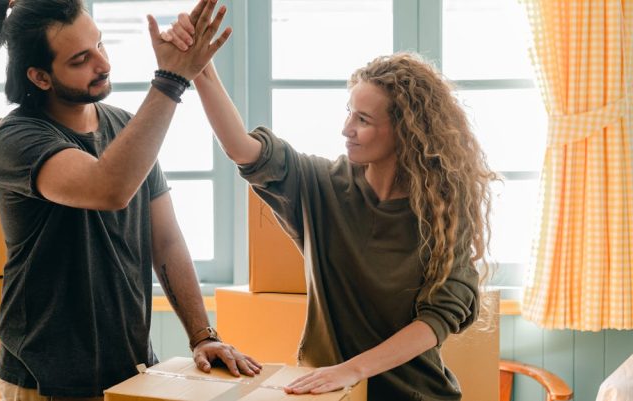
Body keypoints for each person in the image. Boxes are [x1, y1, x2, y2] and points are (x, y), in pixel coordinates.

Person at [163, 9, 496, 401]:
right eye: (348, 112)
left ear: (405, 132)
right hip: (328, 394)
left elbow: (437, 319)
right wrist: (201, 70)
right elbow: (243, 149)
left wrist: (353, 369)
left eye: (363, 119)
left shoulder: (442, 212)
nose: (346, 129)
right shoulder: (320, 185)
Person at [0, 0, 261, 399]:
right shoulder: (16, 139)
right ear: (40, 77)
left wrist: (202, 336)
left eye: (101, 44)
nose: (103, 63)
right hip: (45, 379)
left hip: (131, 367)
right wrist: (171, 79)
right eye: (81, 59)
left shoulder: (125, 126)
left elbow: (165, 239)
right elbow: (108, 188)